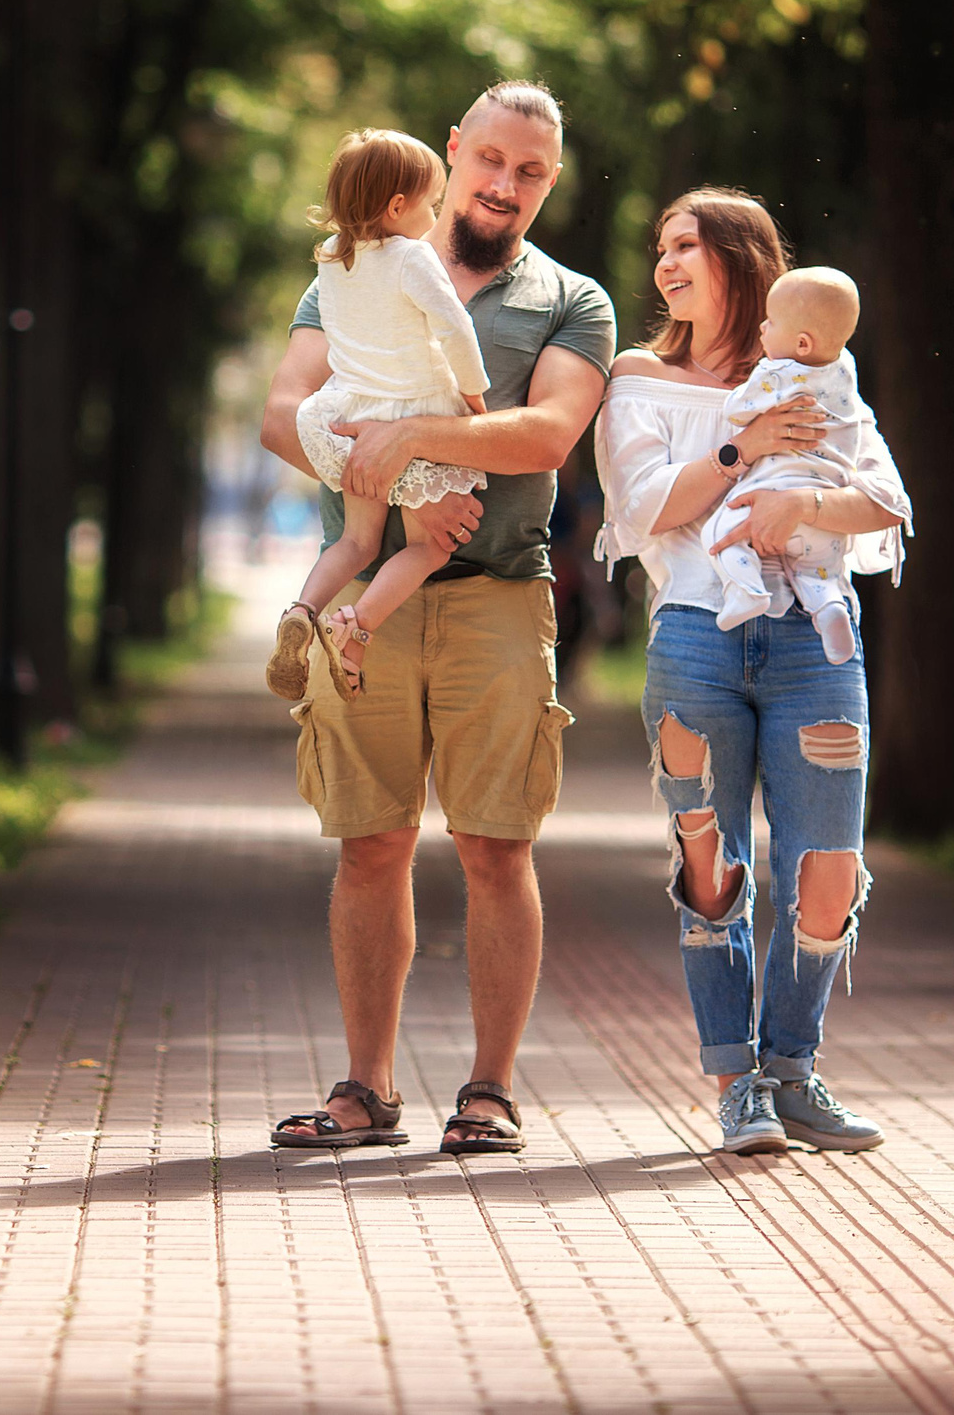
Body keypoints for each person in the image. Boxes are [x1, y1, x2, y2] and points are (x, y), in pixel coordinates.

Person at [259, 80, 614, 1155]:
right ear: (454, 151)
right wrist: (383, 457)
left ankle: (489, 1092)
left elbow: (547, 435)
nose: (506, 186)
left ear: (550, 182)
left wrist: (410, 439)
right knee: (369, 847)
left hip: (499, 596)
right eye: (493, 160)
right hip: (376, 602)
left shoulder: (570, 300)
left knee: (495, 849)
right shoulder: (351, 267)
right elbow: (284, 413)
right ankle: (364, 1091)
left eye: (533, 172)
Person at [592, 189, 910, 1156]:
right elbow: (646, 509)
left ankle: (792, 1069)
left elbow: (886, 500)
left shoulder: (815, 376)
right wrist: (745, 450)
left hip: (818, 646)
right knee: (715, 865)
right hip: (698, 634)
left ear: (742, 258)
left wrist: (801, 498)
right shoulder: (638, 378)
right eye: (660, 248)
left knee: (827, 869)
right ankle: (738, 1084)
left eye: (687, 244)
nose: (666, 264)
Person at [266, 129, 490, 703]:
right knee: (429, 546)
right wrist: (475, 398)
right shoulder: (413, 257)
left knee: (356, 541)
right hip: (414, 409)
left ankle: (302, 609)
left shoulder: (333, 260)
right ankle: (355, 629)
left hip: (350, 410)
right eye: (430, 203)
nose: (435, 214)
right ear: (398, 208)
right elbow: (454, 330)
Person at [701, 266, 878, 664]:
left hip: (772, 493)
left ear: (800, 343)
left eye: (771, 320)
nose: (762, 326)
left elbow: (737, 410)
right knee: (817, 571)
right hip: (827, 509)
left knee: (720, 531)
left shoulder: (778, 374)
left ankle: (746, 589)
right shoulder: (845, 371)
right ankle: (829, 606)